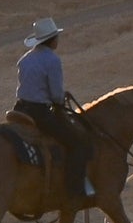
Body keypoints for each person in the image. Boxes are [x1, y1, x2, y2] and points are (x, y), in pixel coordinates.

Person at [12, 20, 95, 205]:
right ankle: (75, 190)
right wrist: (59, 98)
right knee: (77, 142)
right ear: (52, 40)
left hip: (20, 108)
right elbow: (56, 95)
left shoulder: (24, 59)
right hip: (39, 113)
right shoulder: (52, 60)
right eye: (56, 37)